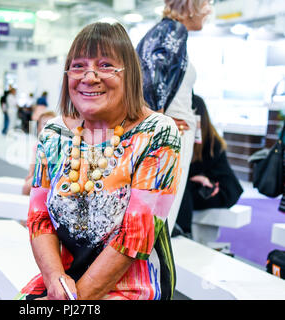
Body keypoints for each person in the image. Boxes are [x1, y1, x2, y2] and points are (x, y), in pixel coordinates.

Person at [16, 21, 181, 301]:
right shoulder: (54, 134)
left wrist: (73, 301)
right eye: (78, 66)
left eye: (105, 65)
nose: (89, 77)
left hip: (131, 285)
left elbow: (135, 238)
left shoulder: (158, 133)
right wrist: (55, 280)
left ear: (129, 74)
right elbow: (39, 218)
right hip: (63, 280)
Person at [136, 0, 213, 233]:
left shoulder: (165, 30)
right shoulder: (173, 30)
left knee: (158, 211)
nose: (209, 9)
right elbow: (151, 80)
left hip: (171, 130)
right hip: (173, 134)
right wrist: (160, 121)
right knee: (161, 214)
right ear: (191, 5)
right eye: (207, 2)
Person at [174, 94, 243, 237]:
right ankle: (182, 230)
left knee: (182, 189)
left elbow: (188, 171)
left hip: (221, 191)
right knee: (182, 186)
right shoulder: (201, 139)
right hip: (206, 185)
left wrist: (198, 178)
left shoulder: (210, 143)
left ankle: (184, 231)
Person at [22, 110, 57, 196]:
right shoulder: (38, 144)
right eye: (45, 124)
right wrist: (31, 173)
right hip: (39, 174)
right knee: (26, 187)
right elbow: (33, 161)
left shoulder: (58, 143)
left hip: (54, 176)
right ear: (39, 128)